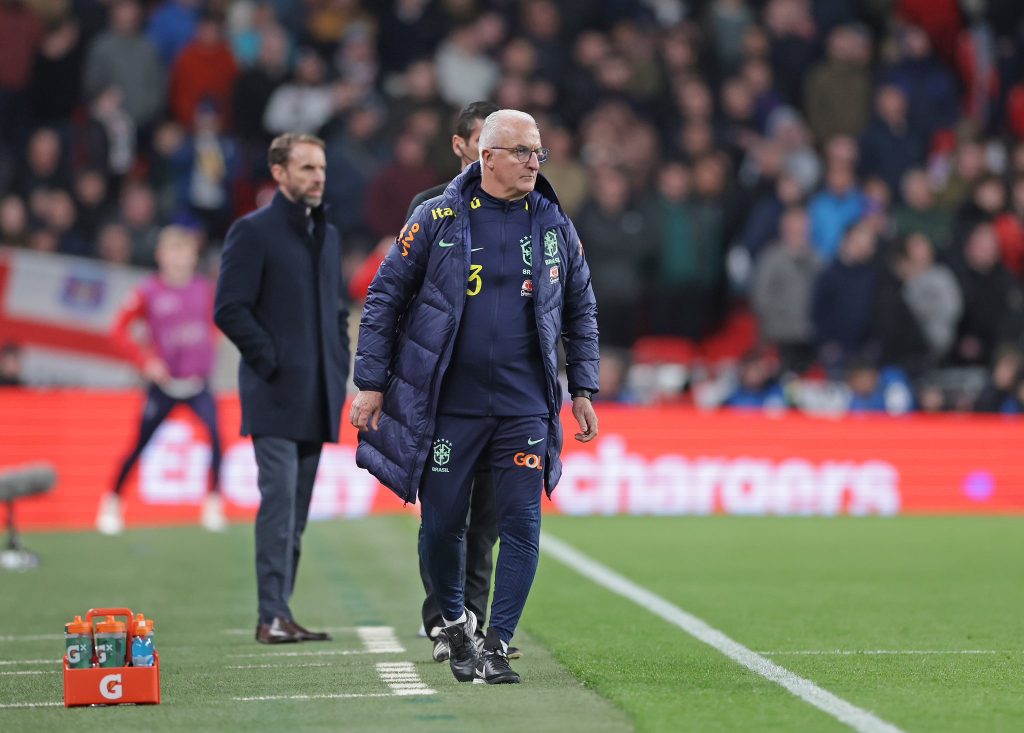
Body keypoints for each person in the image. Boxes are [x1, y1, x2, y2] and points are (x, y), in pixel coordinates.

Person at [350, 109, 599, 685]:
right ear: (485, 157)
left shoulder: (556, 224)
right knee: (441, 526)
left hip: (525, 407)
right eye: (521, 152)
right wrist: (370, 383)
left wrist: (582, 386)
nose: (534, 162)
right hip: (449, 407)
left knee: (521, 526)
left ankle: (497, 641)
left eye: (538, 152)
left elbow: (581, 306)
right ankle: (453, 623)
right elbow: (384, 295)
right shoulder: (435, 217)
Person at [214, 133, 350, 645]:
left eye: (321, 167)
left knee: (295, 516)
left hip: (318, 395)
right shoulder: (252, 232)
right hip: (274, 395)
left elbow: (337, 312)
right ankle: (270, 614)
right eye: (307, 168)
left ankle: (280, 611)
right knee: (278, 509)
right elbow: (229, 307)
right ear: (279, 173)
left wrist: (338, 366)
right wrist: (273, 361)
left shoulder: (328, 235)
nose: (318, 176)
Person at [402, 100, 520, 665]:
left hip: (506, 395)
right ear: (461, 147)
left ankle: (472, 621)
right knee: (446, 514)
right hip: (445, 392)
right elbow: (401, 298)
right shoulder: (429, 210)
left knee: (489, 521)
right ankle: (443, 620)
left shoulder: (529, 211)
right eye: (484, 142)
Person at [97, 225, 224, 535]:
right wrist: (146, 362)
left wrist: (209, 347)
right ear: (161, 256)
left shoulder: (203, 289)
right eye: (174, 252)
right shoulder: (147, 291)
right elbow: (117, 330)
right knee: (140, 443)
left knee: (217, 438)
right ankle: (112, 501)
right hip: (164, 385)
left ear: (194, 257)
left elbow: (218, 322)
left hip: (197, 384)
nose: (180, 259)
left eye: (186, 252)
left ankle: (213, 502)